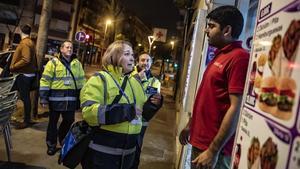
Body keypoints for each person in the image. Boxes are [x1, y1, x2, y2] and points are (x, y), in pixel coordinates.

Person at [179, 6, 250, 169]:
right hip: (200, 143)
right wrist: (191, 125)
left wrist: (213, 150)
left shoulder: (239, 58)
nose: (206, 30)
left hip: (212, 150)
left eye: (211, 26)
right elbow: (208, 98)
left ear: (227, 30)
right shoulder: (221, 55)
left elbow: (236, 107)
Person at [80, 40, 163, 169]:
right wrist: (126, 111)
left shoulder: (134, 83)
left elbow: (143, 114)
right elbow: (89, 113)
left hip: (128, 156)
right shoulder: (100, 79)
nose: (132, 58)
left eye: (132, 55)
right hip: (102, 156)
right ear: (114, 56)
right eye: (127, 54)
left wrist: (154, 105)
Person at [39, 40, 85, 155]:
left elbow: (82, 82)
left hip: (71, 101)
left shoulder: (77, 64)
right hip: (55, 100)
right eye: (67, 47)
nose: (70, 49)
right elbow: (45, 81)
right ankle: (51, 145)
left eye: (71, 47)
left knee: (69, 121)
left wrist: (82, 98)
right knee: (52, 123)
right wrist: (44, 98)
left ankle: (62, 139)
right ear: (61, 49)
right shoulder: (53, 63)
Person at [131, 52, 162, 169]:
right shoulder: (128, 75)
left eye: (148, 61)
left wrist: (158, 102)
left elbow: (154, 103)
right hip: (125, 118)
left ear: (151, 63)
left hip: (142, 122)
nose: (145, 63)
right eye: (143, 60)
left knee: (136, 151)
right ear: (138, 62)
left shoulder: (155, 82)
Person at [10, 24, 38, 129]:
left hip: (24, 74)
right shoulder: (30, 42)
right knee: (18, 95)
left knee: (24, 98)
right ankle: (23, 118)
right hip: (26, 74)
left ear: (20, 30)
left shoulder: (25, 43)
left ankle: (26, 121)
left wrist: (13, 66)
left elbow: (26, 59)